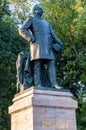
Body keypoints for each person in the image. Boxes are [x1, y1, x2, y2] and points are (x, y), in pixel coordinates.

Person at [19, 4, 63, 89]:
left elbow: (53, 35)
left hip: (48, 46)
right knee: (37, 64)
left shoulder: (46, 23)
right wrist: (31, 38)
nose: (41, 10)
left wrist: (59, 42)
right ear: (35, 11)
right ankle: (38, 83)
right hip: (37, 45)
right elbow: (22, 29)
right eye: (40, 9)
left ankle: (54, 83)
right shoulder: (31, 19)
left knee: (52, 63)